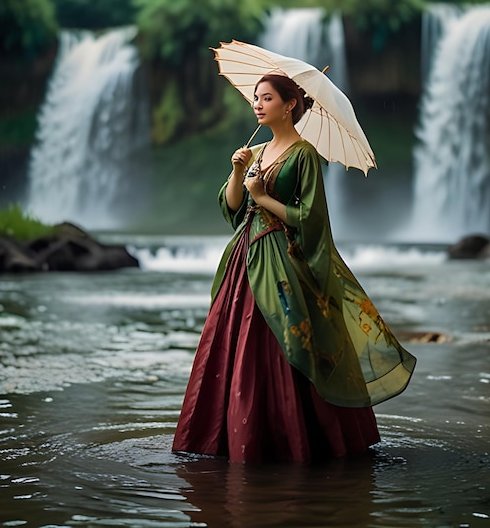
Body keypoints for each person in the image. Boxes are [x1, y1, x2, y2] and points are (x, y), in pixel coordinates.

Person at [172, 73, 416, 463]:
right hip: (245, 257)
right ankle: (227, 434)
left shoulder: (304, 154)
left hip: (283, 262)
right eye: (255, 97)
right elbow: (233, 210)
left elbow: (310, 219)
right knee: (233, 342)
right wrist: (238, 173)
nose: (257, 104)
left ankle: (295, 438)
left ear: (289, 105)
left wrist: (262, 197)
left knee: (279, 341)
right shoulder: (257, 152)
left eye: (266, 98)